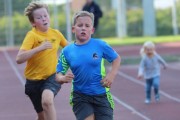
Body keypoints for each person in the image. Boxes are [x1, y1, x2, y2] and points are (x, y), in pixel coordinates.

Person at [56, 11, 120, 120]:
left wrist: (112, 75)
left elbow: (116, 58)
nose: (83, 28)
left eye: (87, 26)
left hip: (101, 94)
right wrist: (62, 78)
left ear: (92, 30)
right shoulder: (67, 51)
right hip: (80, 96)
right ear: (73, 29)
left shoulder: (100, 45)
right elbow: (58, 74)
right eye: (80, 25)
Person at [16, 1, 68, 120]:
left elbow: (70, 49)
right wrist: (39, 48)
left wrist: (86, 49)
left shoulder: (56, 34)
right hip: (33, 81)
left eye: (45, 16)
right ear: (33, 22)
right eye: (39, 17)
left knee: (47, 101)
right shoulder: (32, 36)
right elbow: (19, 59)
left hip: (52, 76)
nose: (44, 19)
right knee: (41, 116)